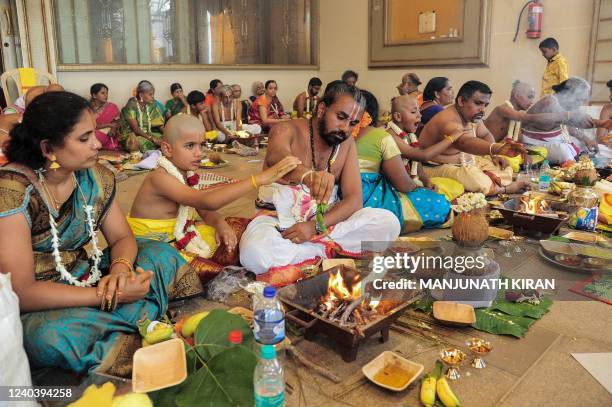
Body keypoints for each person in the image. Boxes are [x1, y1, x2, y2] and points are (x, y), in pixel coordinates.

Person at [0, 91, 202, 375]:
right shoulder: (13, 191)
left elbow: (122, 237)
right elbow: (23, 291)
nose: (97, 144)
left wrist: (120, 271)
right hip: (42, 302)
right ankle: (138, 323)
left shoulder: (93, 176)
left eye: (93, 133)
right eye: (84, 138)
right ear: (48, 149)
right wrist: (107, 295)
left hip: (87, 274)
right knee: (47, 338)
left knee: (159, 253)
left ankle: (121, 327)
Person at [240, 82, 400, 284]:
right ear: (322, 109)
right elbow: (276, 158)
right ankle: (326, 252)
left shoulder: (347, 143)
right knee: (255, 254)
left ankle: (312, 252)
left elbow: (353, 201)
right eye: (340, 117)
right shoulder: (286, 129)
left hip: (324, 226)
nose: (345, 128)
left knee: (388, 223)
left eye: (353, 123)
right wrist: (308, 176)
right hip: (279, 225)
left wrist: (314, 227)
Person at [127, 115, 299, 283]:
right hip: (152, 248)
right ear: (167, 149)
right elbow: (206, 201)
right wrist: (258, 179)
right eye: (189, 146)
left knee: (237, 230)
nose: (198, 153)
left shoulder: (185, 173)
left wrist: (220, 225)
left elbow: (205, 210)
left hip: (180, 235)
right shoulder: (160, 177)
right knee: (204, 272)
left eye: (201, 145)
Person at [355, 91, 452, 233]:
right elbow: (404, 184)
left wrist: (425, 181)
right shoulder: (385, 136)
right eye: (414, 111)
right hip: (371, 196)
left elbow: (418, 166)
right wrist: (451, 138)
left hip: (345, 198)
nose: (420, 115)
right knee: (440, 203)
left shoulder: (343, 136)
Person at [419, 80, 530, 196]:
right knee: (476, 180)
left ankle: (492, 183)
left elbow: (485, 134)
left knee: (504, 167)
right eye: (478, 103)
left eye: (485, 105)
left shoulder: (471, 116)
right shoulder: (448, 120)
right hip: (437, 167)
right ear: (461, 101)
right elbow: (464, 143)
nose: (483, 109)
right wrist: (497, 148)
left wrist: (495, 155)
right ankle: (505, 189)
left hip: (468, 162)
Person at [522, 77, 606, 164]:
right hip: (534, 145)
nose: (580, 104)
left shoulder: (563, 104)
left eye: (582, 101)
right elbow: (577, 121)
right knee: (563, 151)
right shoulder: (549, 102)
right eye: (579, 99)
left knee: (584, 148)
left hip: (552, 143)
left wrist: (587, 139)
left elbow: (570, 125)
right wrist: (603, 123)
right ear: (568, 94)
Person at [118, 80, 166, 152]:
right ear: (141, 95)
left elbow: (159, 124)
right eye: (150, 94)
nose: (153, 97)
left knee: (166, 140)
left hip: (147, 133)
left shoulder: (151, 105)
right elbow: (136, 129)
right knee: (144, 144)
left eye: (153, 94)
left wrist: (168, 134)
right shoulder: (131, 105)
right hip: (131, 135)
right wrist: (153, 139)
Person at [90, 83, 121, 150]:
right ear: (94, 95)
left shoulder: (112, 106)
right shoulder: (88, 108)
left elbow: (117, 122)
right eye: (102, 93)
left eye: (107, 93)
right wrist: (107, 124)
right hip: (94, 134)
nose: (106, 95)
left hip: (109, 135)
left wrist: (113, 130)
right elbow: (89, 126)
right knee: (92, 134)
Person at [596, 80, 612, 158]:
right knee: (597, 149)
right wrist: (609, 144)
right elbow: (599, 138)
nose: (610, 96)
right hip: (609, 148)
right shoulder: (607, 109)